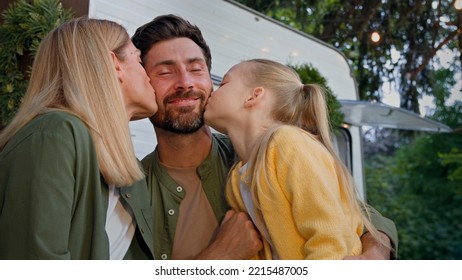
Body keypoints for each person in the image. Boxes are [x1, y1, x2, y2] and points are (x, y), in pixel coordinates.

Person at [132, 14, 397, 260]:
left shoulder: (259, 153)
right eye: (165, 72)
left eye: (196, 69)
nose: (185, 82)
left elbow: (357, 216)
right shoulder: (132, 190)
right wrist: (219, 256)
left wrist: (374, 254)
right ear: (143, 83)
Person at [0, 18, 157, 260]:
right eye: (138, 59)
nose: (149, 76)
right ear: (115, 65)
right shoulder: (55, 134)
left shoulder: (127, 167)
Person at [204, 58, 388, 259]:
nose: (213, 90)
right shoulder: (237, 177)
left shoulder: (288, 144)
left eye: (223, 83)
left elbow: (330, 239)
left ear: (253, 96)